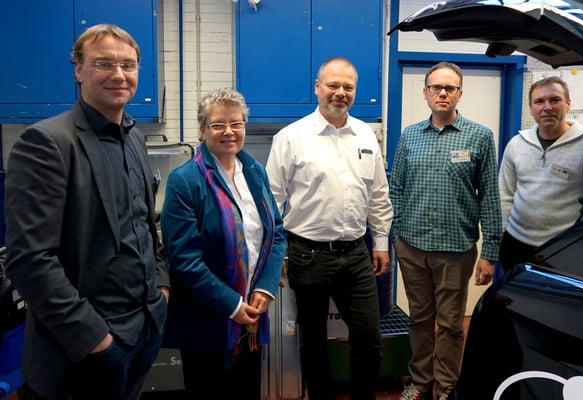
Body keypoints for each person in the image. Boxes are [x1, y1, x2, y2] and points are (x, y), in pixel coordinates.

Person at [4, 24, 169, 400]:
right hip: (85, 349)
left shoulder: (134, 138)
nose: (118, 74)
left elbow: (145, 225)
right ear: (78, 69)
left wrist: (162, 290)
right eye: (104, 63)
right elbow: (29, 260)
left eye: (128, 65)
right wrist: (96, 340)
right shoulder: (47, 143)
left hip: (144, 328)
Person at [266, 57, 393, 400]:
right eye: (333, 85)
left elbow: (378, 194)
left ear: (355, 91)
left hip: (357, 253)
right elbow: (272, 201)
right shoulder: (291, 138)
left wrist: (381, 242)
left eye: (348, 87)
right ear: (317, 87)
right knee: (314, 341)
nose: (340, 93)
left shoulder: (366, 135)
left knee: (369, 338)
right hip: (307, 255)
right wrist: (275, 253)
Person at [159, 88, 286, 400]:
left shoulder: (254, 172)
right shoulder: (185, 181)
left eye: (236, 123)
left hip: (251, 319)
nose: (229, 131)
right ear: (202, 130)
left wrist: (266, 287)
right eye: (218, 125)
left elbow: (276, 232)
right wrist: (232, 305)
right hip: (206, 321)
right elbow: (184, 260)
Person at [389, 61, 502, 400]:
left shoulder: (480, 136)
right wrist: (395, 235)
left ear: (459, 94)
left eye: (449, 88)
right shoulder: (409, 136)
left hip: (456, 250)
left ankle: (445, 386)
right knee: (419, 319)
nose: (442, 93)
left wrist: (490, 252)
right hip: (412, 247)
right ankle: (420, 381)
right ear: (425, 93)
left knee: (451, 324)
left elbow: (490, 197)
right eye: (436, 87)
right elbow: (396, 189)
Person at [498, 76, 583, 271]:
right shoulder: (516, 144)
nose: (547, 107)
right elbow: (505, 195)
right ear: (531, 107)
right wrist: (502, 234)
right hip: (515, 244)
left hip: (564, 248)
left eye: (555, 100)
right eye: (539, 101)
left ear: (568, 103)